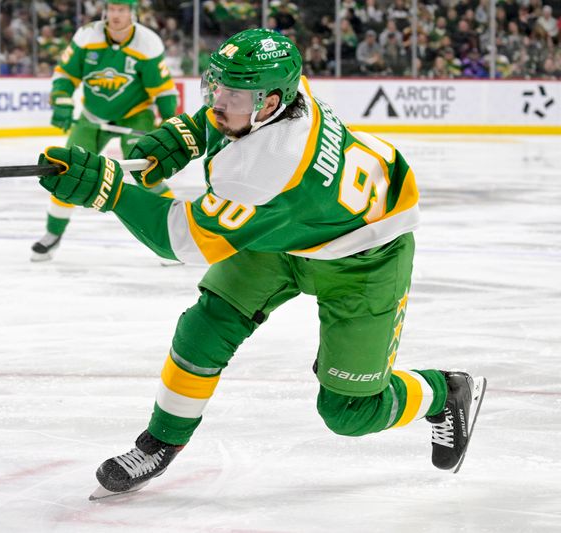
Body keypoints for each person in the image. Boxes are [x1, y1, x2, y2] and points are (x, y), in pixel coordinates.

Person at [36, 29, 487, 498]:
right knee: (205, 326)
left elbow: (181, 241)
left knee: (351, 413)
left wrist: (106, 191)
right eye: (218, 87)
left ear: (271, 102)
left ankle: (444, 390)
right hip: (289, 230)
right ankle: (161, 441)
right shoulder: (288, 92)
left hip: (363, 257)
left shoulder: (270, 164)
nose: (218, 101)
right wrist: (187, 136)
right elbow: (228, 119)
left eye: (235, 95)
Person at [31, 0, 179, 261]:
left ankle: (174, 236)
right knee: (66, 168)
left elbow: (163, 89)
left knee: (147, 173)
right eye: (112, 9)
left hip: (135, 115)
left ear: (131, 13)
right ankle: (52, 235)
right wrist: (62, 100)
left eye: (122, 10)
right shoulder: (88, 35)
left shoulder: (148, 42)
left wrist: (169, 122)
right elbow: (66, 73)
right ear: (105, 11)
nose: (116, 15)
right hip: (92, 116)